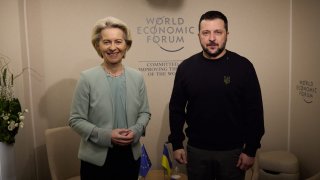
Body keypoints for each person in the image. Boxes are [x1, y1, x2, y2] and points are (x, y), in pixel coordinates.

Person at [168, 10, 264, 180]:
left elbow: (254, 111)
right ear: (199, 35)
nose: (212, 38)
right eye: (206, 33)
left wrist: (250, 149)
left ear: (227, 34)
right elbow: (176, 109)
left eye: (218, 32)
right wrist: (177, 144)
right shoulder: (186, 68)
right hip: (196, 151)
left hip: (233, 152)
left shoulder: (243, 67)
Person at [69, 16, 151, 180]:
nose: (113, 47)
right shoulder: (87, 78)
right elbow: (75, 120)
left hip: (130, 157)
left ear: (126, 45)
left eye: (118, 41)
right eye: (106, 42)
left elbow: (145, 113)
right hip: (96, 162)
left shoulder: (137, 77)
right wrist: (107, 135)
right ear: (98, 46)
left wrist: (135, 132)